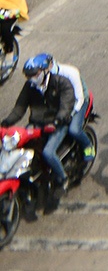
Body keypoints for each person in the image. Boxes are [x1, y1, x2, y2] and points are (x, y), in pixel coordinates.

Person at [7, 53, 82, 206]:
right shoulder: (29, 87)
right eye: (29, 76)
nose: (32, 78)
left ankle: (62, 179)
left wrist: (57, 120)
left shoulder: (61, 82)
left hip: (57, 124)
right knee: (18, 146)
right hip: (37, 124)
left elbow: (66, 105)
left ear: (43, 71)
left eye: (34, 74)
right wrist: (6, 123)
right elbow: (19, 108)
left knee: (48, 152)